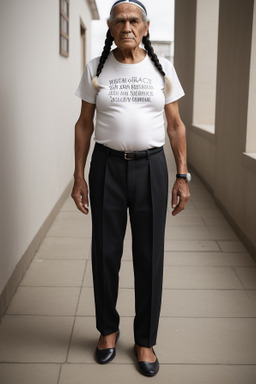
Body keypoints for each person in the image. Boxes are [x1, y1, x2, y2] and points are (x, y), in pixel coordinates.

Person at [71, 0, 190, 377]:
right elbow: (83, 125)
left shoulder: (162, 68)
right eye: (119, 20)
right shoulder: (96, 68)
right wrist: (79, 175)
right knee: (105, 253)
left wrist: (182, 175)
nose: (127, 26)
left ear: (146, 26)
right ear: (109, 28)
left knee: (149, 256)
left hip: (152, 168)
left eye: (133, 20)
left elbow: (175, 126)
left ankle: (145, 340)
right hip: (106, 167)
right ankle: (107, 331)